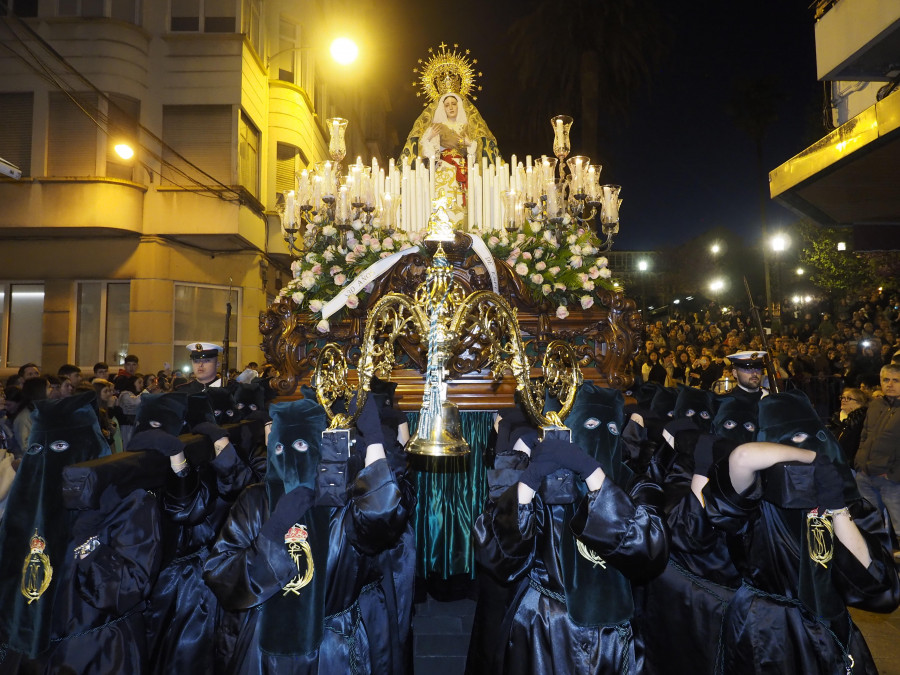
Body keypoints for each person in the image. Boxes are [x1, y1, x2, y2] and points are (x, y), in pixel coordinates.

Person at [471, 383, 668, 674]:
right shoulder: (544, 481)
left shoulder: (635, 483)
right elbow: (498, 555)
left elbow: (649, 550)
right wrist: (530, 477)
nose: (601, 435)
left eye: (612, 428)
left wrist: (592, 473)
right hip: (546, 626)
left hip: (612, 636)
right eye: (589, 424)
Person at [703, 390, 900, 674]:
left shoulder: (850, 501)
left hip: (828, 626)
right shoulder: (754, 495)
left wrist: (837, 506)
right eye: (790, 439)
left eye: (810, 437)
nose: (802, 444)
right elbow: (743, 456)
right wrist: (811, 457)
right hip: (767, 629)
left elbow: (877, 583)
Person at [854, 363, 900, 559]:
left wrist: (893, 473)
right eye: (886, 380)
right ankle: (879, 561)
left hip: (890, 479)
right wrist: (859, 462)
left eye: (896, 380)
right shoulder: (875, 405)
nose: (890, 384)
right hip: (865, 475)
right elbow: (864, 435)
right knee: (871, 523)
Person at [829, 387, 868, 466]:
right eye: (842, 397)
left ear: (860, 402)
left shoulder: (861, 419)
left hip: (852, 464)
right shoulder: (837, 418)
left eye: (848, 398)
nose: (843, 400)